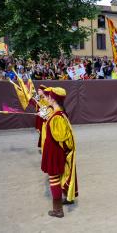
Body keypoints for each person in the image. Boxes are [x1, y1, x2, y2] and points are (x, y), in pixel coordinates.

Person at [40, 87, 78, 218]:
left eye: (49, 97)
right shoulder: (57, 114)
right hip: (54, 151)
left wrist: (49, 121)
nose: (48, 99)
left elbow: (61, 136)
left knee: (53, 179)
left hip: (54, 152)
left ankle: (58, 210)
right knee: (55, 178)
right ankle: (59, 206)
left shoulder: (57, 117)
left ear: (54, 99)